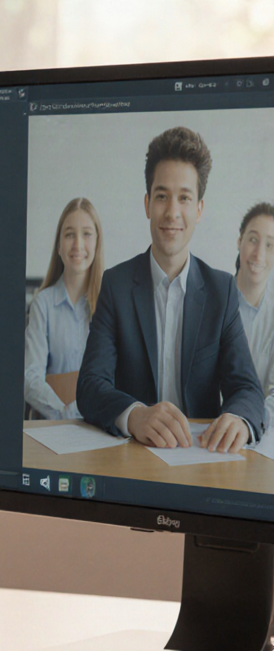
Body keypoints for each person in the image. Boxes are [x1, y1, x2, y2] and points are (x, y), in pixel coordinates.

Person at [78, 127, 264, 451]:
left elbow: (247, 388)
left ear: (199, 209)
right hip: (134, 453)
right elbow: (90, 385)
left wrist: (239, 419)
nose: (172, 212)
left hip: (200, 454)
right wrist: (134, 415)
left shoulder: (221, 291)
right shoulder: (116, 285)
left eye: (184, 198)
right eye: (162, 196)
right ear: (147, 204)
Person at [24, 198, 105, 420]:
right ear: (59, 246)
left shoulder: (108, 304)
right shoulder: (42, 304)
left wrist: (81, 411)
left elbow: (115, 378)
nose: (78, 244)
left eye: (86, 234)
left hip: (97, 426)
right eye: (69, 234)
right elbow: (30, 378)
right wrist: (65, 414)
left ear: (97, 243)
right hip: (51, 426)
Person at [232, 202, 274, 432]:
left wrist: (247, 424)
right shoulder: (212, 304)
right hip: (203, 427)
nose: (259, 254)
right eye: (253, 240)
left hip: (256, 433)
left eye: (270, 245)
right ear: (240, 241)